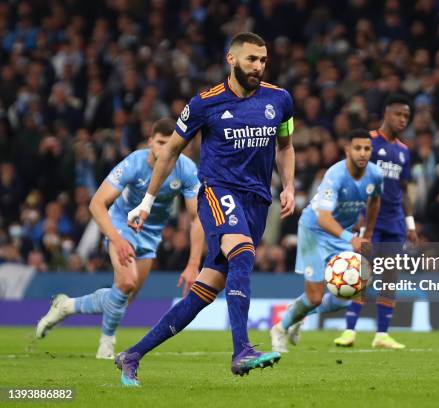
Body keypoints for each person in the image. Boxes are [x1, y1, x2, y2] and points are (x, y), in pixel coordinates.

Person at [115, 32, 295, 386]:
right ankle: (242, 349)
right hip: (218, 191)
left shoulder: (280, 99)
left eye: (263, 60)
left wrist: (289, 184)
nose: (258, 66)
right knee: (242, 253)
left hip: (257, 201)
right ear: (231, 59)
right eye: (251, 60)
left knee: (204, 291)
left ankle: (132, 355)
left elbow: (285, 145)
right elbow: (170, 152)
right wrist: (147, 202)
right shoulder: (204, 103)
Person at [35, 118, 203, 360]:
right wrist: (116, 238)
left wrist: (193, 263)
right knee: (126, 283)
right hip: (122, 225)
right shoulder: (134, 163)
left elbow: (197, 219)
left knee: (124, 297)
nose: (165, 148)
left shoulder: (186, 169)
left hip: (151, 235)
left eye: (170, 144)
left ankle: (66, 306)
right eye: (160, 142)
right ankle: (107, 342)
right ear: (150, 142)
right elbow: (97, 203)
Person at [270, 129, 383, 353]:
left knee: (346, 295)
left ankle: (298, 312)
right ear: (347, 150)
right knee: (315, 297)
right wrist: (351, 238)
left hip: (342, 233)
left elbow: (374, 202)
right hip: (315, 231)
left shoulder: (375, 175)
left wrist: (368, 234)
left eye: (367, 149)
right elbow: (323, 218)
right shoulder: (335, 176)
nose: (362, 153)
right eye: (358, 148)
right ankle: (280, 328)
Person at [334, 95, 415, 349]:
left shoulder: (403, 151)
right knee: (362, 274)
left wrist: (411, 225)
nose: (403, 120)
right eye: (398, 114)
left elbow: (404, 190)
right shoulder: (367, 143)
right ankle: (349, 331)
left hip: (395, 224)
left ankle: (382, 334)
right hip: (370, 222)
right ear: (386, 113)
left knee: (390, 277)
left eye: (406, 116)